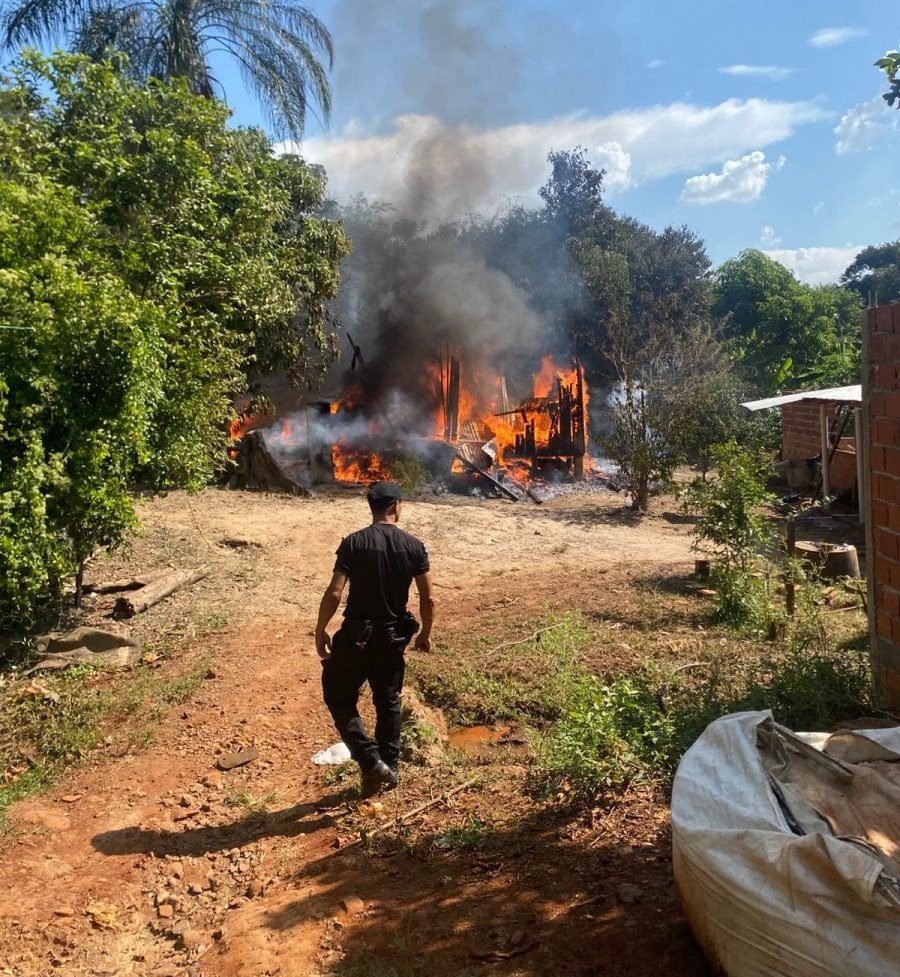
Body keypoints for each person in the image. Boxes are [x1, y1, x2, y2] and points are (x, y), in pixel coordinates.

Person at [315, 481, 435, 797]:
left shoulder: (353, 544)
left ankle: (371, 763)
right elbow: (428, 598)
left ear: (372, 507)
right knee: (388, 702)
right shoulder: (414, 546)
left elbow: (335, 591)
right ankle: (389, 767)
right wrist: (425, 633)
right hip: (392, 639)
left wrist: (320, 628)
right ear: (396, 505)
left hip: (355, 638)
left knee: (338, 696)